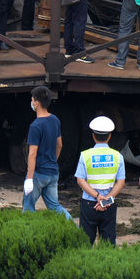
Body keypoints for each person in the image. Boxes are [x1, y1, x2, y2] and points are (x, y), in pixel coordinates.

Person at [21, 85, 72, 220]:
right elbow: (59, 145)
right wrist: (53, 161)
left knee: (28, 207)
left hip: (38, 173)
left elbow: (32, 154)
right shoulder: (55, 120)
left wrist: (30, 178)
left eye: (32, 100)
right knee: (55, 206)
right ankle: (74, 230)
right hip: (53, 172)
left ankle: (28, 236)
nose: (31, 103)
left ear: (36, 103)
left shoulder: (35, 126)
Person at [74, 116, 126, 245]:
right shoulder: (117, 156)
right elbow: (121, 182)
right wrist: (106, 200)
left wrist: (97, 196)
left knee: (85, 244)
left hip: (88, 204)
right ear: (109, 136)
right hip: (109, 205)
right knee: (108, 245)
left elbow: (80, 180)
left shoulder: (84, 155)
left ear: (93, 136)